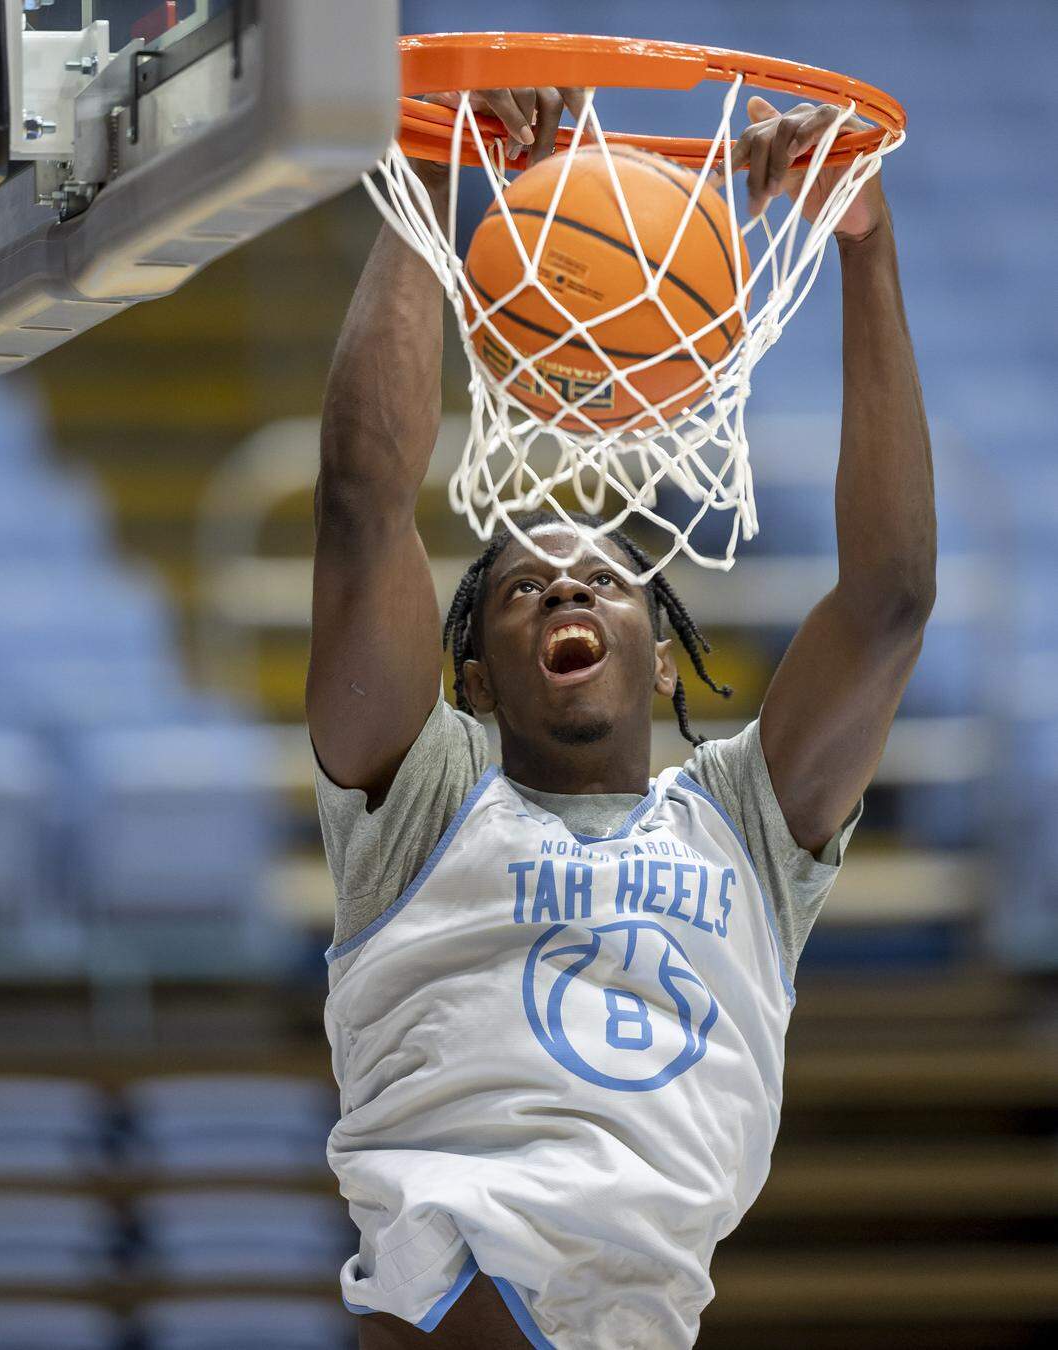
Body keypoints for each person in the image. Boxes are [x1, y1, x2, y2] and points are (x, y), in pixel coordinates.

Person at [307, 84, 936, 1350]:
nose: (566, 585)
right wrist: (434, 164)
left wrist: (863, 246)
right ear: (472, 681)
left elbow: (887, 604)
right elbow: (365, 504)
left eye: (604, 578)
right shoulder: (421, 798)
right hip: (456, 1301)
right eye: (522, 586)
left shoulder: (746, 828)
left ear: (661, 661)